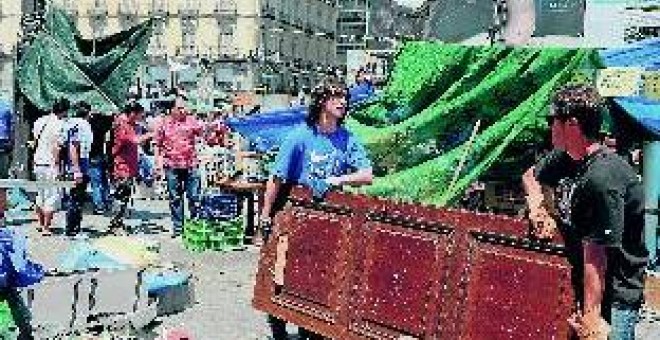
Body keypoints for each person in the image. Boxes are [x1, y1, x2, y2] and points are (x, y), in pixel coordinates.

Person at [522, 84, 647, 340]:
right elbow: (531, 176)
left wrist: (591, 321)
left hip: (613, 297)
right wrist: (538, 207)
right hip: (583, 282)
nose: (549, 126)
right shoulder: (566, 158)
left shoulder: (602, 178)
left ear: (572, 125)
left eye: (553, 120)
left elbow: (596, 259)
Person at [259, 77, 373, 340]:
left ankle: (310, 330)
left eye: (345, 97)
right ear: (322, 102)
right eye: (336, 97)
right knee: (283, 275)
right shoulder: (300, 137)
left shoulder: (347, 138)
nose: (343, 102)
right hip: (294, 216)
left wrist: (336, 180)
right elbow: (276, 178)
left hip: (330, 222)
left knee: (319, 280)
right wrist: (265, 214)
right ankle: (279, 331)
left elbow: (366, 174)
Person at [155, 95, 206, 238]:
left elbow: (204, 132)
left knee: (194, 196)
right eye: (179, 108)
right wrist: (158, 164)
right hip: (171, 166)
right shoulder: (163, 124)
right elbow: (157, 145)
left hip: (191, 165)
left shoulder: (192, 121)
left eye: (184, 107)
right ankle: (178, 228)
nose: (183, 110)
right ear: (172, 109)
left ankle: (195, 226)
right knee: (175, 198)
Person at [110, 102, 149, 234]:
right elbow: (135, 140)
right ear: (132, 113)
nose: (139, 118)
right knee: (120, 197)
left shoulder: (131, 125)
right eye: (139, 115)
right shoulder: (121, 125)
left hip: (130, 167)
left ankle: (119, 223)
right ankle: (115, 225)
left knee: (125, 198)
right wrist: (153, 134)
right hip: (122, 167)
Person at [32, 98, 68, 236]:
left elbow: (35, 140)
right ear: (64, 111)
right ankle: (46, 228)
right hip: (50, 164)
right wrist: (57, 166)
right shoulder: (60, 125)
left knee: (40, 194)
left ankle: (40, 224)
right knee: (52, 195)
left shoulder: (40, 121)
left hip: (38, 162)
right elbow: (57, 148)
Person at [61, 101, 94, 237]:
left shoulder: (72, 123)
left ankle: (74, 229)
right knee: (76, 199)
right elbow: (73, 147)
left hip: (79, 164)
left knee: (77, 199)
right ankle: (72, 231)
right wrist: (76, 170)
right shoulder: (79, 125)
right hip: (78, 165)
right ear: (86, 112)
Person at [88, 111, 113, 214]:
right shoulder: (104, 126)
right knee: (104, 180)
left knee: (96, 183)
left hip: (92, 155)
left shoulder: (89, 125)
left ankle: (99, 205)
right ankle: (106, 201)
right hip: (102, 155)